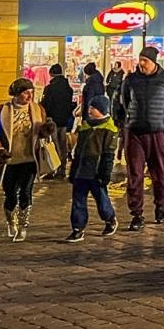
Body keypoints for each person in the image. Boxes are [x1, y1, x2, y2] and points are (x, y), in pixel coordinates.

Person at [119, 45, 164, 229]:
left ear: (153, 62)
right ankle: (136, 214)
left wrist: (160, 119)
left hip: (157, 133)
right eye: (140, 60)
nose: (141, 64)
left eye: (145, 60)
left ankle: (160, 206)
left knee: (159, 172)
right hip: (134, 132)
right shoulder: (131, 80)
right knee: (135, 174)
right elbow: (125, 102)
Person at [0, 77, 52, 241]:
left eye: (31, 92)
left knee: (26, 192)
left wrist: (47, 130)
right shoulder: (2, 110)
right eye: (25, 93)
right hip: (9, 160)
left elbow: (40, 134)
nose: (29, 96)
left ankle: (22, 226)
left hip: (30, 158)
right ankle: (10, 221)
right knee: (10, 194)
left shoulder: (38, 109)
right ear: (16, 94)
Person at [65, 94, 120, 241]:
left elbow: (108, 155)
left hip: (96, 171)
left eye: (93, 108)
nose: (89, 110)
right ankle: (78, 228)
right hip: (81, 170)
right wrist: (73, 169)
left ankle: (110, 218)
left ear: (101, 110)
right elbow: (78, 150)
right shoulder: (85, 126)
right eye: (90, 107)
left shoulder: (109, 129)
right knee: (78, 200)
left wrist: (105, 174)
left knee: (101, 199)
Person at [40, 64, 75, 178]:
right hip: (64, 120)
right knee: (63, 144)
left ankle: (53, 168)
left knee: (53, 145)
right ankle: (62, 169)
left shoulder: (50, 88)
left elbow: (46, 104)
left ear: (51, 74)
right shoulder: (68, 88)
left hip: (53, 120)